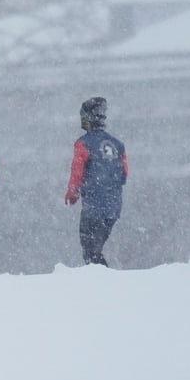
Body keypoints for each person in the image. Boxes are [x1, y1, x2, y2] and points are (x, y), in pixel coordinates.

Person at [65, 97, 128, 267]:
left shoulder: (83, 144)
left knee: (90, 250)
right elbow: (124, 175)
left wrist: (73, 191)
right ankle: (102, 279)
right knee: (96, 248)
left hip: (93, 207)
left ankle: (102, 283)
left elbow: (77, 171)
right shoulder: (118, 145)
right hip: (113, 207)